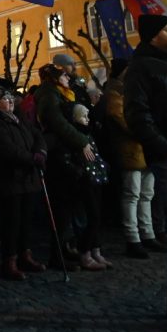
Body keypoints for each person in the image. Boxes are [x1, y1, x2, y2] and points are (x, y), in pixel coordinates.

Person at [124, 14, 167, 326]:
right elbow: (137, 114)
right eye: (166, 29)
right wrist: (164, 148)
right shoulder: (141, 69)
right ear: (152, 36)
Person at [0, 85, 47, 280]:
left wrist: (41, 152)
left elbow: (37, 135)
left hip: (27, 178)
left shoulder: (18, 119)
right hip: (9, 180)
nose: (9, 101)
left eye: (10, 98)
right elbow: (7, 149)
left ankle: (25, 254)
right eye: (4, 99)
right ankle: (9, 260)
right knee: (12, 222)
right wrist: (31, 159)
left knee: (26, 221)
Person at [33, 63, 95, 268]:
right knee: (61, 208)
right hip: (59, 154)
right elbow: (58, 124)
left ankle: (64, 248)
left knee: (68, 208)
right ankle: (57, 255)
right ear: (55, 78)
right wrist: (81, 141)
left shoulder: (59, 93)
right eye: (64, 76)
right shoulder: (49, 95)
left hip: (65, 151)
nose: (68, 78)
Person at [105, 57, 164, 259]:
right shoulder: (114, 93)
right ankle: (133, 238)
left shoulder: (134, 89)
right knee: (132, 195)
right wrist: (147, 131)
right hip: (130, 150)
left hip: (146, 148)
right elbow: (122, 119)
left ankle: (148, 233)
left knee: (147, 194)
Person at [69, 104, 112, 270]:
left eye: (87, 116)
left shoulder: (88, 133)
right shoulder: (76, 135)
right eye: (83, 116)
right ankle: (85, 251)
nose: (87, 119)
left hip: (96, 176)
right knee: (92, 216)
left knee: (97, 215)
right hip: (86, 179)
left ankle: (95, 250)